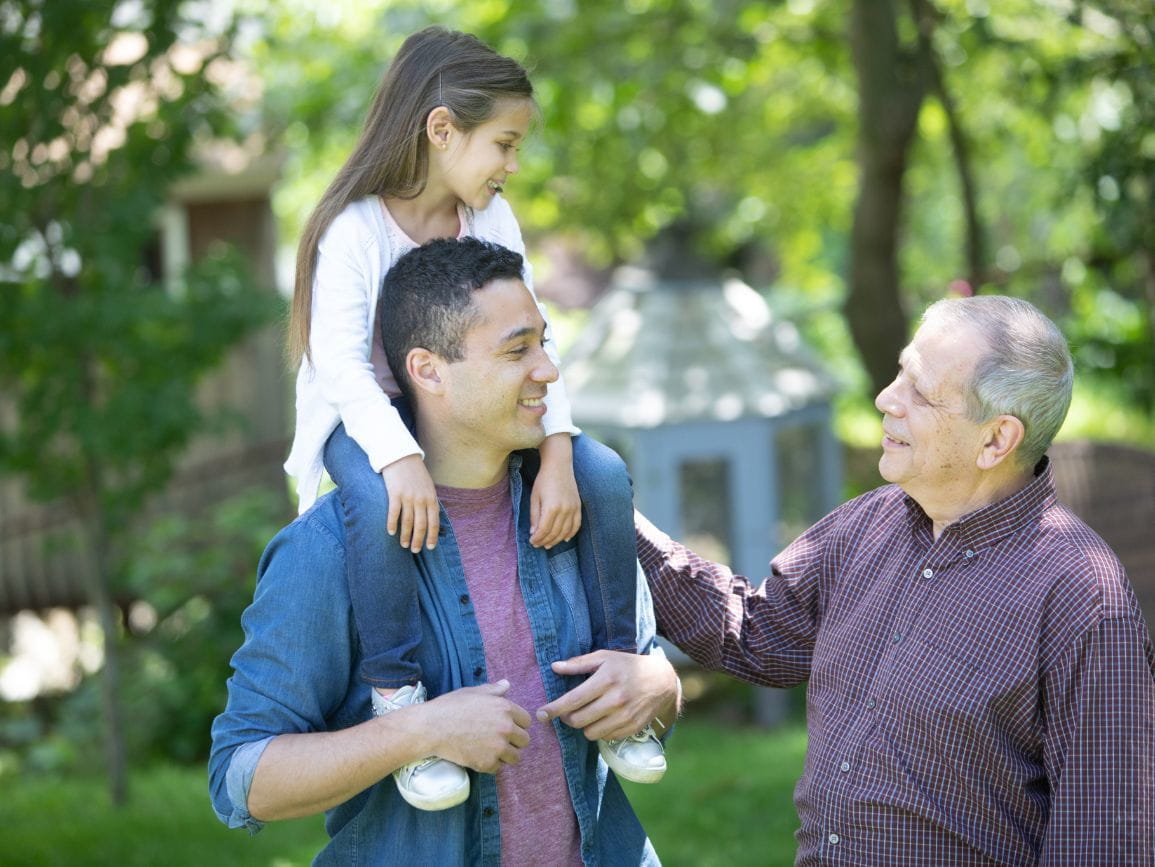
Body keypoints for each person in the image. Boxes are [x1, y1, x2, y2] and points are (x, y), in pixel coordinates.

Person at [281, 27, 662, 806]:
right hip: (367, 420)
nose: (511, 165)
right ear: (441, 128)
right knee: (370, 502)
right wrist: (400, 458)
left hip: (473, 412)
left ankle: (618, 682)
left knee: (604, 471)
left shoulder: (488, 220)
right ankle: (399, 697)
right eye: (504, 143)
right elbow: (341, 369)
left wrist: (557, 452)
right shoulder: (353, 230)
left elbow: (530, 338)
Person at [636, 295, 1155, 864]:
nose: (886, 400)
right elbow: (757, 634)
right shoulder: (868, 523)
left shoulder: (1082, 597)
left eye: (920, 391)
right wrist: (613, 516)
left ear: (996, 440)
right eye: (899, 374)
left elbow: (1107, 836)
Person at [210, 237, 680, 864]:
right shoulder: (327, 550)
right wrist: (416, 732)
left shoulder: (577, 508)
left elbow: (644, 683)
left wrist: (661, 685)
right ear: (429, 370)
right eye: (517, 350)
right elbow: (242, 778)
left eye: (543, 343)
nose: (548, 369)